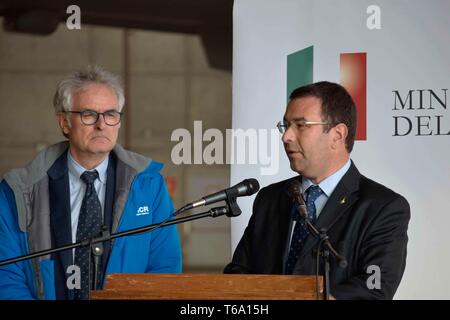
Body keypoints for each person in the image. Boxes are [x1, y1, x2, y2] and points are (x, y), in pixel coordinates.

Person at [0, 66, 182, 300]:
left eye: (110, 114)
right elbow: (6, 275)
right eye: (88, 114)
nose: (101, 124)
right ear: (64, 122)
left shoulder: (149, 186)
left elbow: (164, 271)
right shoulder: (18, 192)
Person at [224, 81, 410, 299]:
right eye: (286, 126)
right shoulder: (271, 198)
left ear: (337, 135)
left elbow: (374, 286)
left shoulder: (383, 207)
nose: (286, 137)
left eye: (301, 125)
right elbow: (238, 272)